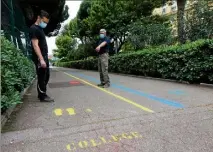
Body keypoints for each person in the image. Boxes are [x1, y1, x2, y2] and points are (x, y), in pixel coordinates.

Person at [29, 10, 54, 102]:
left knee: (46, 75)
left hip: (44, 55)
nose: (45, 24)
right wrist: (41, 59)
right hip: (40, 57)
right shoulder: (34, 29)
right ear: (38, 18)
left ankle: (41, 93)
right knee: (42, 76)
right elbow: (35, 45)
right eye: (44, 21)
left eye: (46, 22)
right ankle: (42, 96)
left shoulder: (40, 29)